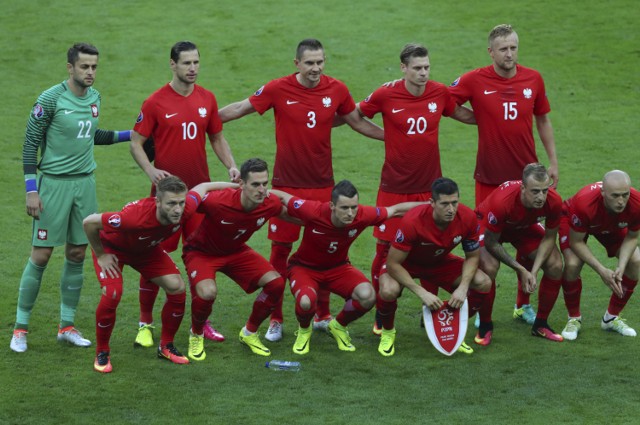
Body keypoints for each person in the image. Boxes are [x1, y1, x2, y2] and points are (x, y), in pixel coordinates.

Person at [218, 38, 384, 342]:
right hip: (285, 186)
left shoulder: (337, 89)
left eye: (320, 62)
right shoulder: (277, 88)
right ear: (297, 64)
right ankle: (277, 320)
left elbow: (356, 122)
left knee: (323, 253)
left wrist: (393, 139)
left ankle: (322, 315)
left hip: (323, 187)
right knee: (280, 253)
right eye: (309, 63)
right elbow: (242, 107)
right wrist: (204, 119)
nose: (316, 68)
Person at [10, 43, 132, 353]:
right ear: (70, 68)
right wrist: (31, 190)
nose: (90, 72)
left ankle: (66, 326)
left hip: (85, 186)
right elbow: (29, 146)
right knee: (41, 255)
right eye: (84, 67)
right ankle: (20, 329)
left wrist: (132, 134)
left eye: (94, 67)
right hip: (52, 186)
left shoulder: (95, 97)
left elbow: (91, 135)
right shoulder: (49, 100)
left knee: (77, 253)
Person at [356, 43, 476, 334]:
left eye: (426, 67)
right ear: (403, 69)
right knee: (385, 249)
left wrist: (494, 118)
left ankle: (431, 312)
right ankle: (383, 318)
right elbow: (356, 115)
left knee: (435, 246)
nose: (423, 73)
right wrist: (386, 136)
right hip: (394, 187)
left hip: (430, 188)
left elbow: (460, 113)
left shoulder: (439, 92)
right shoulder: (386, 94)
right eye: (417, 68)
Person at [129, 41, 239, 348]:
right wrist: (150, 171)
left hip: (199, 197)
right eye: (186, 63)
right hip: (164, 200)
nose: (193, 68)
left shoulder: (207, 98)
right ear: (172, 65)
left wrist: (231, 166)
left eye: (196, 62)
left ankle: (201, 325)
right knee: (154, 259)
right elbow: (136, 142)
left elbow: (217, 137)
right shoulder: (155, 102)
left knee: (201, 259)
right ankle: (145, 324)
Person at [449, 24, 559, 321]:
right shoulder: (474, 79)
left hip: (527, 179)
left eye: (513, 48)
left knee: (529, 244)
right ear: (491, 52)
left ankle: (523, 304)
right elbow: (447, 103)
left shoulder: (533, 78)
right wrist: (478, 118)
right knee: (487, 256)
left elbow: (543, 121)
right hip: (490, 180)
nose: (509, 54)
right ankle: (478, 311)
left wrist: (553, 162)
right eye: (503, 49)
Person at [83, 177, 236, 373]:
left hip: (147, 250)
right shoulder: (133, 217)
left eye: (181, 203)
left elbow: (204, 187)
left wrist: (238, 187)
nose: (178, 209)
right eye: (171, 204)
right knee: (113, 293)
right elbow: (89, 222)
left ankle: (166, 346)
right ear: (157, 202)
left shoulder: (185, 208)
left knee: (177, 287)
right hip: (113, 250)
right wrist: (101, 254)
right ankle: (102, 352)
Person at [270, 181, 423, 355]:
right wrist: (251, 192)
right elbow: (281, 196)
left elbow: (396, 210)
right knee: (306, 301)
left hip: (338, 268)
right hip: (305, 268)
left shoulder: (363, 215)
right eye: (344, 208)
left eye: (353, 207)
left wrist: (430, 206)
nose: (350, 213)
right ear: (332, 206)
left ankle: (338, 326)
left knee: (368, 296)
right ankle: (305, 330)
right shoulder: (312, 210)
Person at [182, 158, 296, 361]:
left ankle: (249, 333)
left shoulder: (269, 203)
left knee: (276, 283)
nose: (261, 190)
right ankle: (196, 333)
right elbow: (184, 205)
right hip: (201, 253)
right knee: (207, 292)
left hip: (236, 251)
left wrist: (327, 221)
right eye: (255, 184)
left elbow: (295, 214)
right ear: (241, 184)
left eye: (264, 183)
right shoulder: (218, 201)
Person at [376, 178, 491, 357]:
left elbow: (473, 257)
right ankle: (388, 332)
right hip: (406, 263)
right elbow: (393, 264)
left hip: (439, 262)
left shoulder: (467, 217)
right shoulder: (413, 221)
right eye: (445, 204)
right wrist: (422, 292)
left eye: (454, 203)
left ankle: (453, 329)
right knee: (388, 290)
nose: (451, 209)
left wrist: (463, 288)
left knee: (483, 282)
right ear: (432, 203)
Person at [474, 163, 564, 345]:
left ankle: (541, 324)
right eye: (535, 191)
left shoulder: (553, 201)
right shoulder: (503, 201)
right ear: (523, 188)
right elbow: (491, 243)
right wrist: (521, 269)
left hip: (523, 226)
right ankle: (485, 326)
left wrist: (534, 271)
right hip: (492, 228)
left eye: (545, 191)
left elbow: (549, 239)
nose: (541, 197)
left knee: (556, 265)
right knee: (489, 267)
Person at [554, 170, 639, 340]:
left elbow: (632, 237)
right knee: (572, 264)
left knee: (636, 261)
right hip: (574, 221)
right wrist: (601, 270)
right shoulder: (584, 203)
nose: (621, 201)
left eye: (625, 195)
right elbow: (576, 242)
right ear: (603, 193)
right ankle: (574, 318)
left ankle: (611, 318)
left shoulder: (636, 203)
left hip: (610, 224)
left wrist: (620, 267)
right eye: (615, 196)